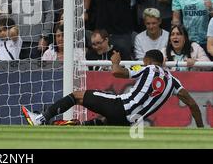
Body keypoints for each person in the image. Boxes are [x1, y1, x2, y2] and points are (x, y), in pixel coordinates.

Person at [21, 49, 204, 127]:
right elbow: (193, 104)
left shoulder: (147, 68)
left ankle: (42, 119)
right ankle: (74, 127)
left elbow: (117, 72)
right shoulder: (174, 82)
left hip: (122, 107)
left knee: (77, 95)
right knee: (102, 120)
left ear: (148, 60)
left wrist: (115, 60)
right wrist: (201, 128)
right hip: (131, 121)